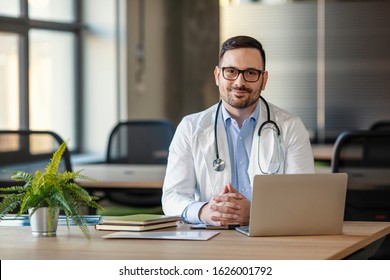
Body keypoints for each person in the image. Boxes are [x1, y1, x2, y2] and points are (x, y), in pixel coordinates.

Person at [162, 35, 314, 226]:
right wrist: (204, 211)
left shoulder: (290, 127)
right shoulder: (190, 127)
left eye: (250, 73)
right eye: (231, 71)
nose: (239, 82)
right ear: (218, 76)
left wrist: (258, 212)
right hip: (211, 238)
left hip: (270, 237)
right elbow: (172, 197)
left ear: (264, 80)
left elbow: (302, 199)